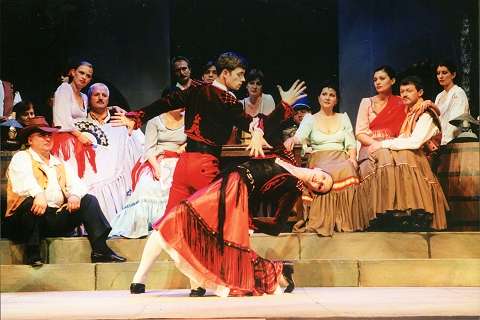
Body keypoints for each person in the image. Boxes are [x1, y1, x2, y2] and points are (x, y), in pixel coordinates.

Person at [113, 51, 306, 295]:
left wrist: (137, 116)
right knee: (209, 228)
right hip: (205, 166)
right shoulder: (228, 101)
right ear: (225, 74)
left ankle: (141, 280)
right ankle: (213, 281)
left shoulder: (195, 89)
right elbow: (257, 124)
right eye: (239, 75)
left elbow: (166, 103)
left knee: (168, 223)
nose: (242, 81)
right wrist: (284, 106)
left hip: (184, 165)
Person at [129, 155, 333, 297]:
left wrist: (249, 221)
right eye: (323, 177)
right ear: (319, 169)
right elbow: (266, 126)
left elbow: (278, 224)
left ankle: (141, 280)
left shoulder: (295, 188)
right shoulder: (287, 156)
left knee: (179, 217)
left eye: (321, 187)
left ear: (313, 191)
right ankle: (277, 272)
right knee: (186, 223)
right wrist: (263, 127)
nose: (319, 182)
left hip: (237, 193)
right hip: (229, 180)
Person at [4, 116, 126, 266]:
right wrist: (38, 194)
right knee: (31, 203)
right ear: (30, 140)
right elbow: (22, 182)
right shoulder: (22, 157)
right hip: (25, 221)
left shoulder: (59, 163)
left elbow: (79, 184)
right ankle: (33, 252)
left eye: (49, 135)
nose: (47, 139)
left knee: (89, 200)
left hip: (52, 217)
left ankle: (100, 249)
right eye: (42, 135)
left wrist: (75, 195)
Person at [365, 76, 448, 231]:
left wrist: (383, 143)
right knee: (386, 156)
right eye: (402, 91)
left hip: (424, 161)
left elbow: (415, 142)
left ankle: (417, 210)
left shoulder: (426, 113)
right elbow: (404, 138)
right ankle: (392, 210)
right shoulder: (410, 113)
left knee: (401, 154)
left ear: (420, 92)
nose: (404, 94)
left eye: (409, 91)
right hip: (414, 158)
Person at [285, 84, 360, 236]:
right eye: (324, 94)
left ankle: (344, 221)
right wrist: (293, 139)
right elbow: (300, 136)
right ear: (319, 98)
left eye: (331, 95)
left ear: (336, 100)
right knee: (321, 173)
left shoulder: (343, 117)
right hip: (319, 157)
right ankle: (323, 220)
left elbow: (350, 142)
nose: (327, 97)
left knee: (349, 168)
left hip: (340, 156)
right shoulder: (309, 119)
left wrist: (352, 158)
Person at [109, 108, 186, 238]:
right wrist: (156, 167)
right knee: (147, 186)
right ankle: (143, 225)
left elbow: (195, 139)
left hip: (180, 160)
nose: (182, 106)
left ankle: (172, 226)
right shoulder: (155, 120)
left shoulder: (188, 120)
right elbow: (149, 149)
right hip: (157, 160)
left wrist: (185, 146)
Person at [78, 83, 144, 221]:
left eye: (104, 95)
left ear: (108, 99)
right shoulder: (81, 123)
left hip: (117, 171)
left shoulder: (120, 119)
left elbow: (141, 142)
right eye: (96, 95)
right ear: (89, 98)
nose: (100, 98)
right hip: (93, 174)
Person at [51, 61, 95, 178]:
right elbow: (61, 117)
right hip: (65, 138)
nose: (84, 77)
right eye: (81, 73)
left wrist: (112, 107)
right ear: (73, 72)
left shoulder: (84, 97)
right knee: (70, 175)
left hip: (80, 139)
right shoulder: (64, 89)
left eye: (88, 76)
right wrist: (79, 135)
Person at [434, 60, 470, 145]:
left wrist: (446, 142)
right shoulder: (439, 96)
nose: (440, 76)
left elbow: (456, 120)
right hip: (439, 139)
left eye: (444, 73)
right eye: (438, 73)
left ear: (453, 75)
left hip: (454, 140)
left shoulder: (458, 92)